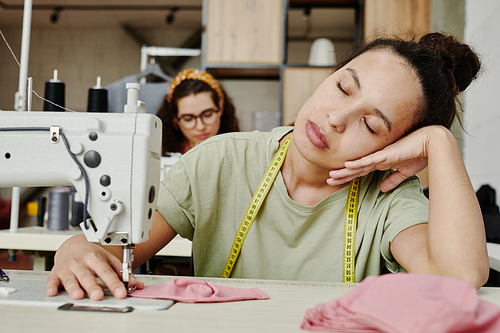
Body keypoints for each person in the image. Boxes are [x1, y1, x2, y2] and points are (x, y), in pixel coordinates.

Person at [46, 32, 489, 301]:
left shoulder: (388, 199)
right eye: (342, 87)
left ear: (394, 148)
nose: (335, 117)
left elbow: (461, 277)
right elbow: (116, 252)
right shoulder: (219, 161)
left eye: (371, 125)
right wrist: (76, 249)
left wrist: (441, 142)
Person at [157, 68, 240, 155]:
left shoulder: (238, 152)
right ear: (174, 118)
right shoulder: (160, 155)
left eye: (208, 115)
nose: (200, 127)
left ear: (220, 107)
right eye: (188, 119)